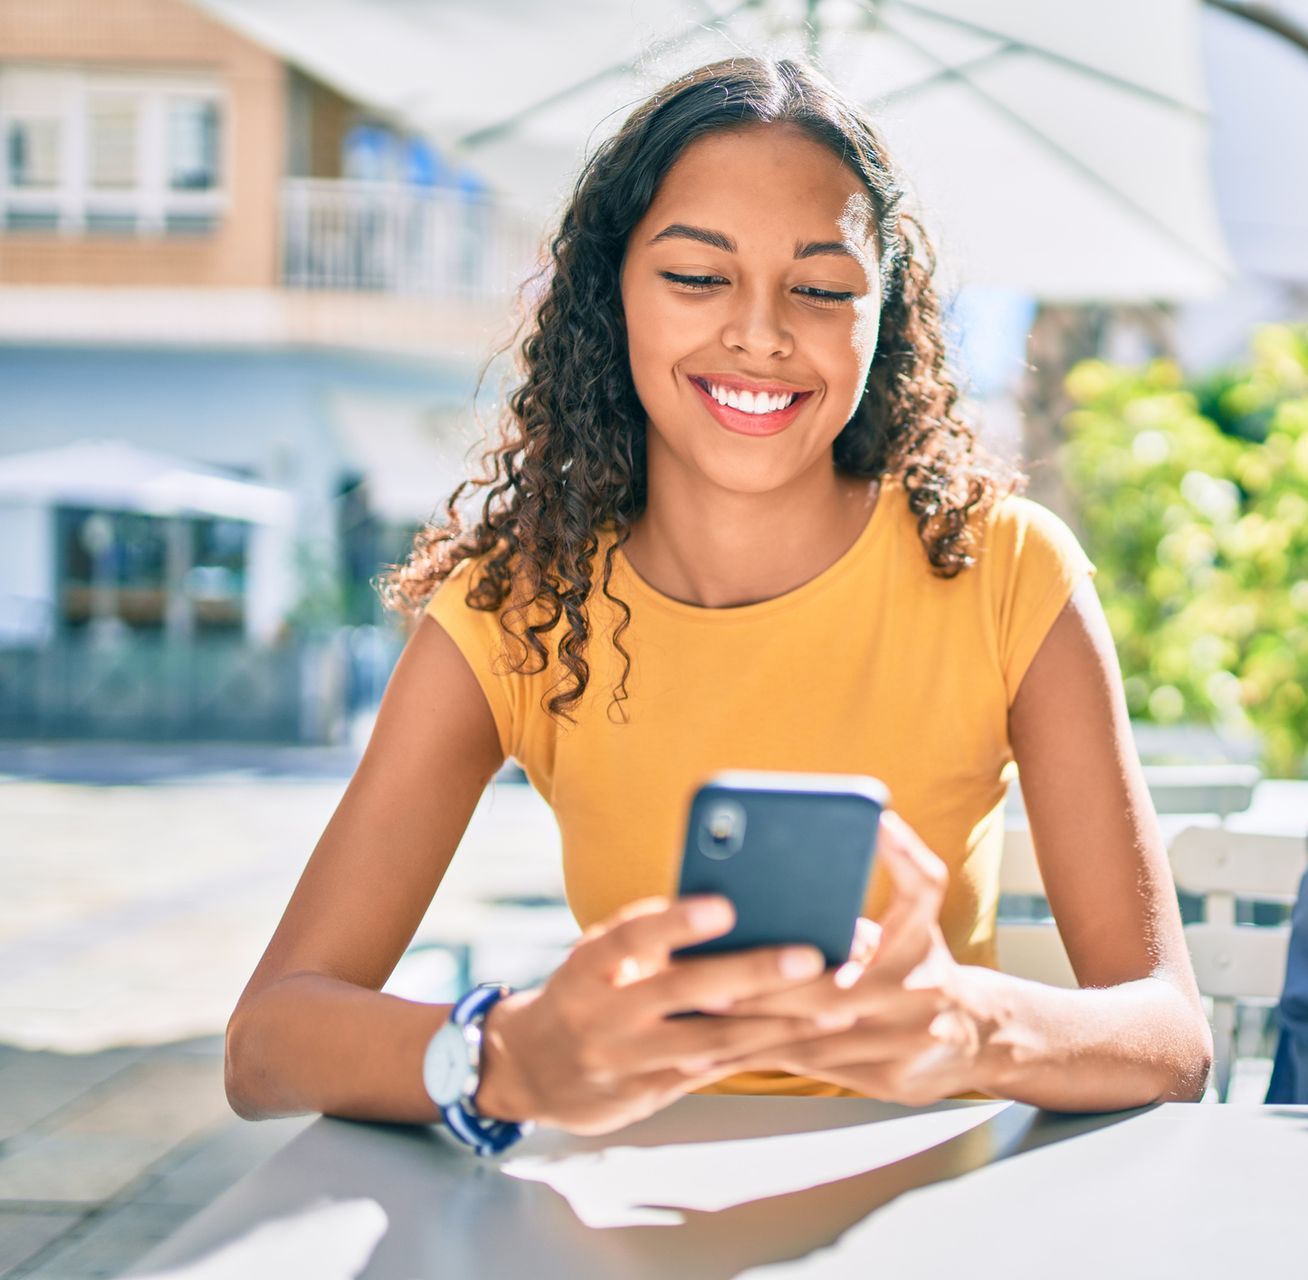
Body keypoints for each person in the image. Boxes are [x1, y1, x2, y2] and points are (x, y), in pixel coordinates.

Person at [222, 56, 1210, 1147]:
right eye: (697, 277)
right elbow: (268, 1041)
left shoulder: (1006, 568)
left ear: (886, 315)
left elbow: (1170, 1034)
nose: (761, 333)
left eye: (824, 289)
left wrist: (976, 1027)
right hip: (623, 1216)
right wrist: (504, 1055)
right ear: (611, 296)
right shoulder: (516, 603)